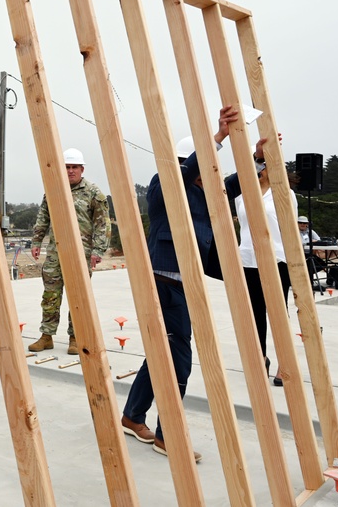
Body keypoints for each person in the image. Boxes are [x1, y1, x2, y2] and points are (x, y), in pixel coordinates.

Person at [120, 106, 245, 462]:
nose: (210, 176)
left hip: (185, 281)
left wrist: (258, 158)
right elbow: (184, 176)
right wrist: (216, 139)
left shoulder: (204, 191)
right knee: (180, 359)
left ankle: (132, 415)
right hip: (164, 279)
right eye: (203, 168)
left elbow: (231, 186)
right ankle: (167, 435)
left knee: (162, 352)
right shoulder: (166, 183)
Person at [27, 148, 109, 355]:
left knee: (78, 296)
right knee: (50, 294)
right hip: (55, 251)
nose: (70, 171)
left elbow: (102, 224)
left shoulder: (93, 193)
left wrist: (98, 250)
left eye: (74, 167)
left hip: (81, 253)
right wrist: (36, 241)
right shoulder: (53, 190)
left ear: (82, 169)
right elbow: (43, 217)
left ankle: (75, 336)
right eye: (67, 167)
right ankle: (47, 336)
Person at [226, 154, 292, 386]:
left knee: (278, 313)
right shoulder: (242, 194)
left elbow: (289, 228)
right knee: (255, 313)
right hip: (248, 259)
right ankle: (260, 357)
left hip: (276, 259)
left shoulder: (285, 194)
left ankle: (286, 362)